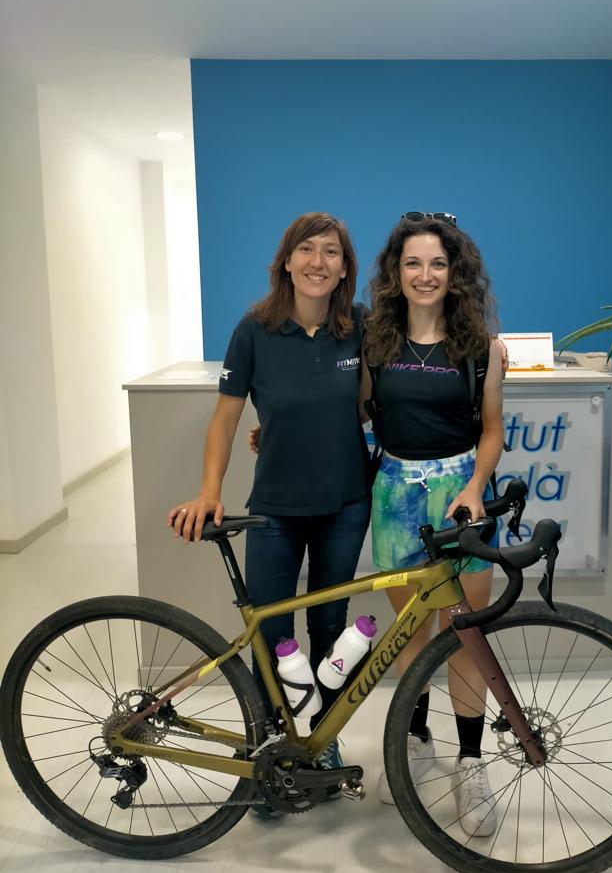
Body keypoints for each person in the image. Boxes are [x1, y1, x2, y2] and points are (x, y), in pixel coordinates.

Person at [167, 211, 371, 818]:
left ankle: (321, 743)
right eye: (305, 250)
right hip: (274, 510)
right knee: (272, 636)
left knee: (330, 629)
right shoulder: (254, 329)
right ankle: (268, 750)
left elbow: (363, 407)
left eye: (330, 252)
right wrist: (209, 490)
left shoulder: (359, 326)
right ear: (286, 261)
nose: (317, 262)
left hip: (345, 502)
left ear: (344, 267)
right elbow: (226, 417)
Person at [361, 212, 504, 837]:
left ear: (455, 273)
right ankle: (416, 743)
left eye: (438, 264)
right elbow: (352, 415)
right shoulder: (374, 343)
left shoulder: (480, 348)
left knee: (467, 634)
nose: (425, 275)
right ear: (397, 272)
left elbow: (492, 432)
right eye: (413, 263)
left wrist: (475, 486)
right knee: (411, 630)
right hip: (395, 496)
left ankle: (471, 763)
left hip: (461, 498)